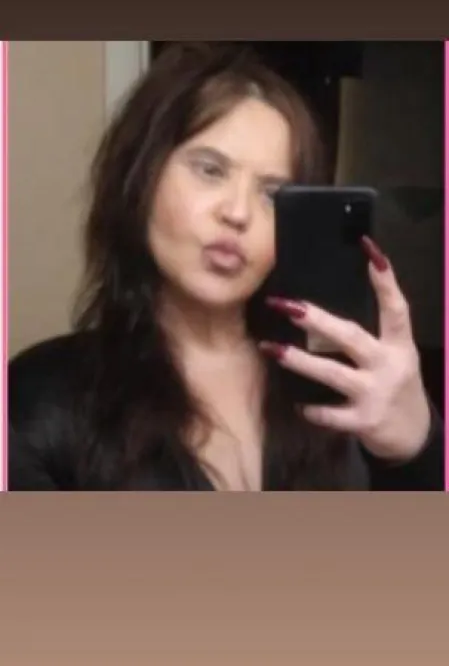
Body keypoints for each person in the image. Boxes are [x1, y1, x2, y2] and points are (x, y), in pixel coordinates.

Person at [8, 43, 444, 491]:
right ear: (140, 177)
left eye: (271, 193)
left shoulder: (344, 386)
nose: (238, 213)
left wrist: (420, 446)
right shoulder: (39, 400)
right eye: (211, 170)